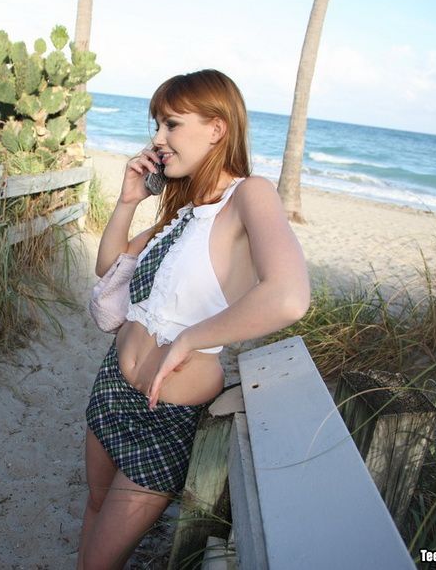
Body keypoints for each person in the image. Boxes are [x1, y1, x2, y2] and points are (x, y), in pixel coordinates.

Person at [77, 69, 311, 569]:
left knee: (100, 561)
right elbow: (109, 267)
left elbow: (289, 296)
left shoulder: (249, 196)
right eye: (156, 125)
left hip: (167, 415)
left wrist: (187, 340)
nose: (157, 139)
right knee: (94, 506)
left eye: (171, 124)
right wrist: (127, 200)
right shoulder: (183, 211)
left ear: (216, 128)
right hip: (113, 385)